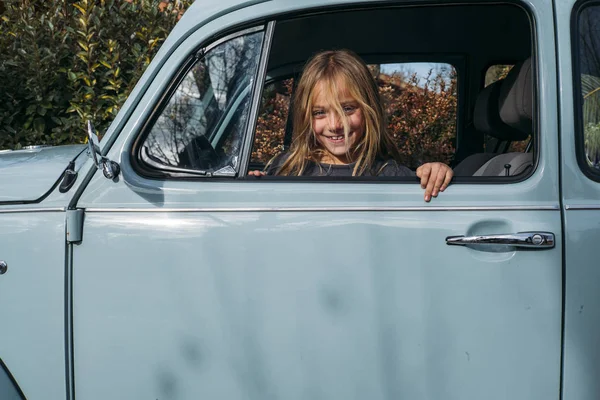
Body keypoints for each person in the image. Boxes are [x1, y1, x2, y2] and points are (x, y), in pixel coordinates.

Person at [249, 49, 453, 202]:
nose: (335, 125)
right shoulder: (287, 169)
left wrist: (435, 172)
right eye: (319, 113)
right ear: (305, 117)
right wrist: (254, 189)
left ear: (368, 110)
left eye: (347, 109)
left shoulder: (389, 174)